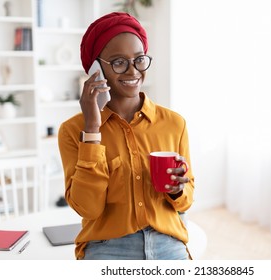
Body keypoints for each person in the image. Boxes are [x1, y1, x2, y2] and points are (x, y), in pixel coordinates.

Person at [58, 12, 194, 260]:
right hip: (107, 246)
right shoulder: (72, 131)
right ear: (96, 69)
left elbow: (185, 202)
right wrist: (92, 129)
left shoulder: (174, 124)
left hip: (167, 242)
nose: (133, 71)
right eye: (119, 62)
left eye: (139, 59)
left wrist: (176, 191)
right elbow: (87, 208)